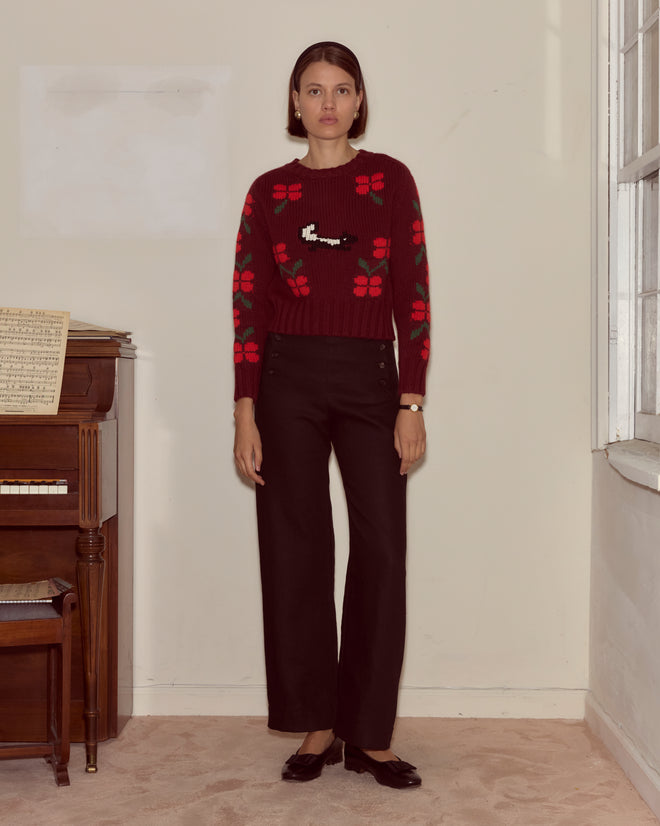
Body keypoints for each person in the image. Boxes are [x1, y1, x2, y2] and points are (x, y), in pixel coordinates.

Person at [232, 41, 430, 789]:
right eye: (313, 89)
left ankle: (370, 734)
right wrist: (245, 408)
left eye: (342, 89)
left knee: (381, 549)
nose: (327, 103)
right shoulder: (268, 193)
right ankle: (318, 722)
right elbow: (248, 304)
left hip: (371, 381)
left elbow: (413, 293)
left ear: (358, 101)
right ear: (294, 102)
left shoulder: (390, 180)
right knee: (296, 550)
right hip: (285, 381)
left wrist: (411, 399)